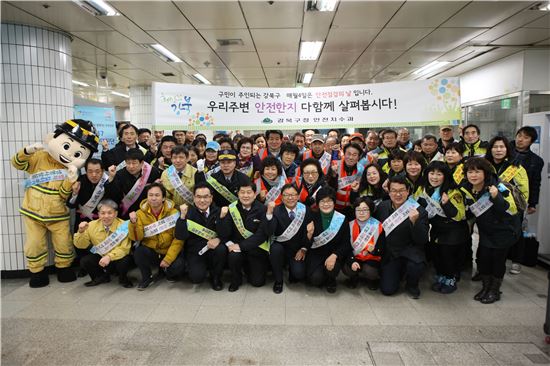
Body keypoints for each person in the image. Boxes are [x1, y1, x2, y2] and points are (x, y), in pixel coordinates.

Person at [11, 119, 99, 287]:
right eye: (66, 146)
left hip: (58, 213)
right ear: (53, 138)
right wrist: (27, 151)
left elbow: (63, 194)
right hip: (33, 211)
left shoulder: (72, 170)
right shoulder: (40, 157)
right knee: (34, 244)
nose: (68, 154)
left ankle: (64, 268)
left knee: (64, 243)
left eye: (78, 154)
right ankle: (37, 271)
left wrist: (70, 180)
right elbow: (17, 163)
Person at [460, 157, 520, 303]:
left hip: (504, 230)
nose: (473, 175)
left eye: (477, 171)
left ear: (485, 173)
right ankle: (486, 287)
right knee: (485, 259)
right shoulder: (466, 188)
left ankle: (494, 290)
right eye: (470, 172)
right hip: (486, 230)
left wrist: (496, 197)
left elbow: (511, 210)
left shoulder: (498, 187)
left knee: (498, 261)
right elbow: (469, 211)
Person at [375, 175, 429, 298]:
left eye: (401, 191)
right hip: (391, 252)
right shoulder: (382, 207)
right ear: (389, 192)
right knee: (387, 290)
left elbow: (422, 240)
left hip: (410, 251)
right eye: (394, 190)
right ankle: (398, 274)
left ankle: (412, 284)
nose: (398, 194)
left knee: (416, 265)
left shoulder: (419, 211)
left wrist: (415, 223)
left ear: (408, 191)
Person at [418, 161, 468, 294]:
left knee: (447, 256)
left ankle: (450, 279)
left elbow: (459, 215)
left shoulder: (453, 191)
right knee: (437, 254)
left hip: (453, 230)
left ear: (445, 176)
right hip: (436, 229)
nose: (434, 177)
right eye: (432, 173)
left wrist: (446, 204)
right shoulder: (424, 188)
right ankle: (441, 277)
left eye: (439, 174)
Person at [485, 136, 529, 275]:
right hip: (486, 211)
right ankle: (484, 272)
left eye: (502, 147)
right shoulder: (484, 165)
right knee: (485, 245)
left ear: (507, 149)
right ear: (490, 149)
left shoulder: (516, 167)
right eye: (495, 147)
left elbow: (523, 193)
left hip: (506, 213)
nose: (498, 150)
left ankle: (494, 282)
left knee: (500, 250)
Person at [218, 182, 273, 292]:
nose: (245, 195)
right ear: (237, 194)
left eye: (249, 192)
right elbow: (224, 233)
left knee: (258, 282)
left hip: (256, 248)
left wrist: (241, 246)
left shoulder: (262, 209)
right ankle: (236, 279)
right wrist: (222, 218)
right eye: (242, 192)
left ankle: (249, 269)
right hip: (237, 248)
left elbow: (261, 235)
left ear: (254, 194)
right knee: (233, 256)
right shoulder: (231, 208)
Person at [129, 183, 184, 290]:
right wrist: (133, 223)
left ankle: (166, 272)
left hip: (168, 250)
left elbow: (178, 239)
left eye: (157, 195)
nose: (153, 198)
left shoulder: (174, 213)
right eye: (150, 195)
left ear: (163, 198)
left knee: (179, 266)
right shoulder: (139, 213)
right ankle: (147, 277)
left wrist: (168, 259)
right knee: (139, 252)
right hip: (152, 251)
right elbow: (137, 238)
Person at [175, 184, 227, 290]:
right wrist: (182, 217)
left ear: (211, 198)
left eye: (206, 197)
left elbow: (227, 233)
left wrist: (218, 239)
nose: (202, 200)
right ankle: (193, 267)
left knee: (221, 249)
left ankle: (216, 277)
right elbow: (180, 236)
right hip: (196, 251)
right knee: (196, 278)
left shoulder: (219, 211)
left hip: (213, 249)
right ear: (193, 198)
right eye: (198, 197)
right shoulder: (188, 212)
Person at [74, 199, 133, 288]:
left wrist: (109, 256)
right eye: (103, 213)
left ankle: (123, 278)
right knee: (85, 261)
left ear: (116, 214)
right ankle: (100, 277)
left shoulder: (124, 226)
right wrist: (81, 232)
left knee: (125, 261)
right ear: (98, 214)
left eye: (110, 213)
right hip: (101, 257)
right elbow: (81, 245)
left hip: (117, 257)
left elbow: (125, 249)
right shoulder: (91, 225)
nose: (106, 216)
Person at [267, 183, 314, 294]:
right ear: (282, 197)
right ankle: (278, 280)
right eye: (286, 195)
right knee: (275, 249)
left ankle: (291, 268)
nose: (290, 198)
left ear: (298, 196)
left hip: (297, 249)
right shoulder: (276, 211)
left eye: (293, 195)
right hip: (281, 248)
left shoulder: (306, 210)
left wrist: (304, 248)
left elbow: (310, 233)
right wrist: (269, 214)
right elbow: (269, 231)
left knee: (298, 274)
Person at [306, 187, 350, 293]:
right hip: (317, 254)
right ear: (318, 203)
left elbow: (346, 243)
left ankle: (331, 279)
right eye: (322, 201)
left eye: (329, 201)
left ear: (334, 202)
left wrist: (335, 255)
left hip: (334, 254)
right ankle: (322, 274)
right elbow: (306, 244)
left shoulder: (341, 218)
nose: (326, 204)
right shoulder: (311, 217)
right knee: (316, 280)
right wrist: (309, 234)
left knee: (331, 270)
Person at [105, 148, 162, 220]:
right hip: (126, 215)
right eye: (128, 163)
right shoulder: (120, 175)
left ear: (142, 163)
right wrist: (111, 178)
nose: (131, 166)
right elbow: (113, 196)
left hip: (148, 213)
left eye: (134, 163)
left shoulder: (152, 172)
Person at [343, 197, 384, 290]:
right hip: (355, 256)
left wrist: (374, 250)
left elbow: (382, 248)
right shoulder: (349, 225)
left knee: (370, 271)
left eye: (365, 210)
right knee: (348, 268)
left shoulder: (378, 226)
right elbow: (346, 247)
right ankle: (354, 278)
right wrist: (352, 261)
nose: (361, 213)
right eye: (358, 210)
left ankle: (372, 280)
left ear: (371, 210)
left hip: (372, 258)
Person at [327, 142, 367, 218]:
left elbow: (359, 193)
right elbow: (329, 189)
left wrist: (355, 191)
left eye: (355, 155)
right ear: (344, 154)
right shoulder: (335, 165)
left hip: (350, 209)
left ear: (358, 157)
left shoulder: (361, 169)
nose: (351, 157)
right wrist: (333, 176)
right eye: (348, 154)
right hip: (333, 208)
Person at [513, 126, 544, 215]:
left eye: (526, 137)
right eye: (519, 136)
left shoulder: (536, 161)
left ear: (531, 141)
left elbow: (535, 183)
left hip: (519, 198)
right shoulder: (503, 151)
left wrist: (532, 203)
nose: (520, 139)